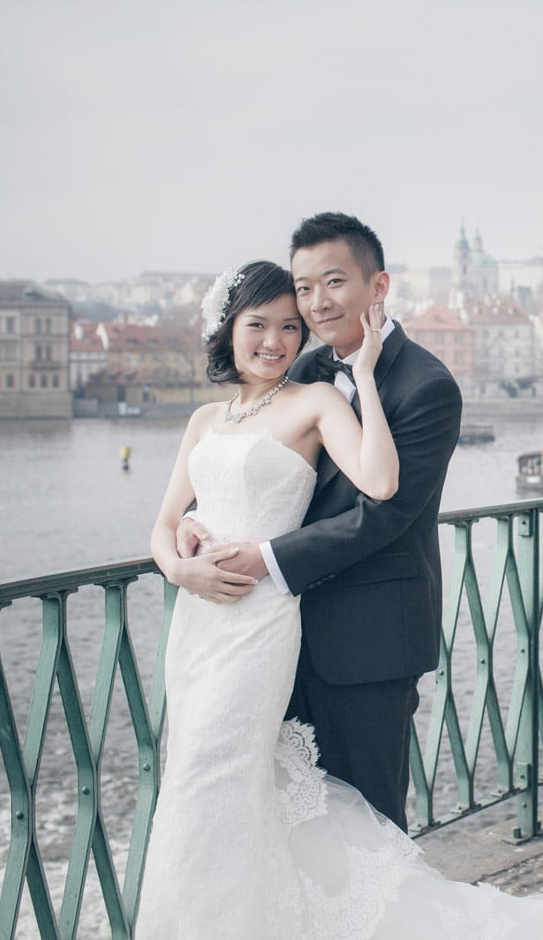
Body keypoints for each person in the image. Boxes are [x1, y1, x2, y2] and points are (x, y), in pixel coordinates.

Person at [138, 255, 543, 939]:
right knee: (198, 780)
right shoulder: (204, 419)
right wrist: (179, 566)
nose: (274, 340)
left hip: (261, 621)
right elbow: (161, 523)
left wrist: (361, 376)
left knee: (222, 775)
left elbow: (382, 485)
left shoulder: (317, 397)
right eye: (257, 325)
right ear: (227, 330)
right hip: (200, 623)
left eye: (287, 327)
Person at [174, 211, 461, 829]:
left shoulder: (426, 385)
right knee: (289, 823)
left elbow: (383, 514)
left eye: (333, 282)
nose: (315, 303)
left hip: (369, 640)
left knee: (372, 827)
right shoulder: (300, 371)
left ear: (377, 287)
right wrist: (195, 523)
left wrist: (268, 559)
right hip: (274, 637)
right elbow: (260, 464)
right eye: (304, 288)